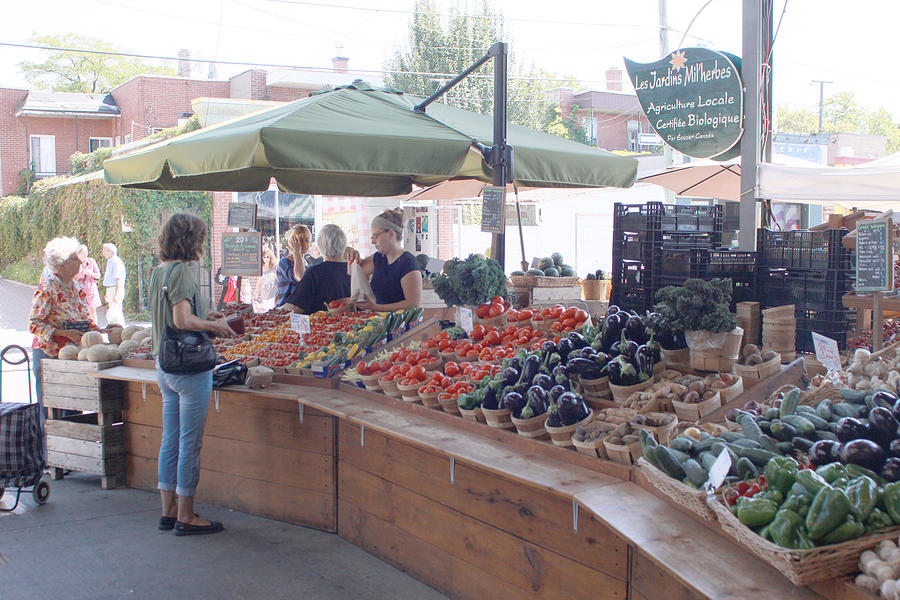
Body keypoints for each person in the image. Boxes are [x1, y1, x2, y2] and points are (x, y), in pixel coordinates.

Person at [148, 213, 236, 536]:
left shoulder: (159, 271)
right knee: (190, 442)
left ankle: (167, 511)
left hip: (164, 366)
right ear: (191, 241)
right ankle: (187, 514)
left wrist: (205, 314)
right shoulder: (183, 271)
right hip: (189, 370)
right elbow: (182, 320)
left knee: (169, 439)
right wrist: (213, 325)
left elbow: (171, 315)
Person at [29, 237, 99, 417]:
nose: (80, 262)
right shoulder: (47, 288)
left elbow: (84, 318)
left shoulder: (77, 286)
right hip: (49, 355)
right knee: (52, 414)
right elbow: (35, 324)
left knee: (73, 411)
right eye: (74, 259)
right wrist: (64, 333)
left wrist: (99, 330)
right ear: (61, 265)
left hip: (73, 356)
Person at [350, 209, 422, 311]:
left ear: (391, 234)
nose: (373, 242)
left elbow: (413, 304)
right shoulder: (379, 258)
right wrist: (351, 255)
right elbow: (355, 271)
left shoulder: (408, 263)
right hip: (379, 321)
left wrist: (377, 307)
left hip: (401, 324)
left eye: (376, 236)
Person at [284, 224, 351, 314]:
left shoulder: (314, 273)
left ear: (320, 246)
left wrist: (274, 312)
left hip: (322, 325)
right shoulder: (354, 269)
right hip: (354, 324)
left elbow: (295, 307)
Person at [275, 225, 311, 306]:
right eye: (300, 240)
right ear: (292, 242)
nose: (305, 243)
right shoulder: (284, 263)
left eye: (307, 240)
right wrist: (297, 253)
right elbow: (300, 277)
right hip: (286, 309)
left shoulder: (308, 262)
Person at [76, 244, 102, 324]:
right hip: (80, 289)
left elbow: (98, 275)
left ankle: (95, 328)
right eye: (83, 254)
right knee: (81, 311)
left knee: (92, 310)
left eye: (86, 253)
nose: (85, 256)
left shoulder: (91, 261)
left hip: (91, 288)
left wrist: (90, 273)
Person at [102, 242, 126, 326]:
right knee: (112, 311)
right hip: (110, 288)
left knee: (115, 312)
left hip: (115, 288)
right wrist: (106, 292)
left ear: (110, 252)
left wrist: (117, 293)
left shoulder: (116, 262)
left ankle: (119, 329)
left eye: (104, 251)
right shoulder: (110, 261)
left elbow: (118, 278)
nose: (103, 253)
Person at [253, 247, 278, 313]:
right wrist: (255, 293)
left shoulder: (275, 267)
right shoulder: (261, 268)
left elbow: (279, 279)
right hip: (265, 294)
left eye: (267, 257)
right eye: (264, 257)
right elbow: (259, 282)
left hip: (274, 293)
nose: (266, 259)